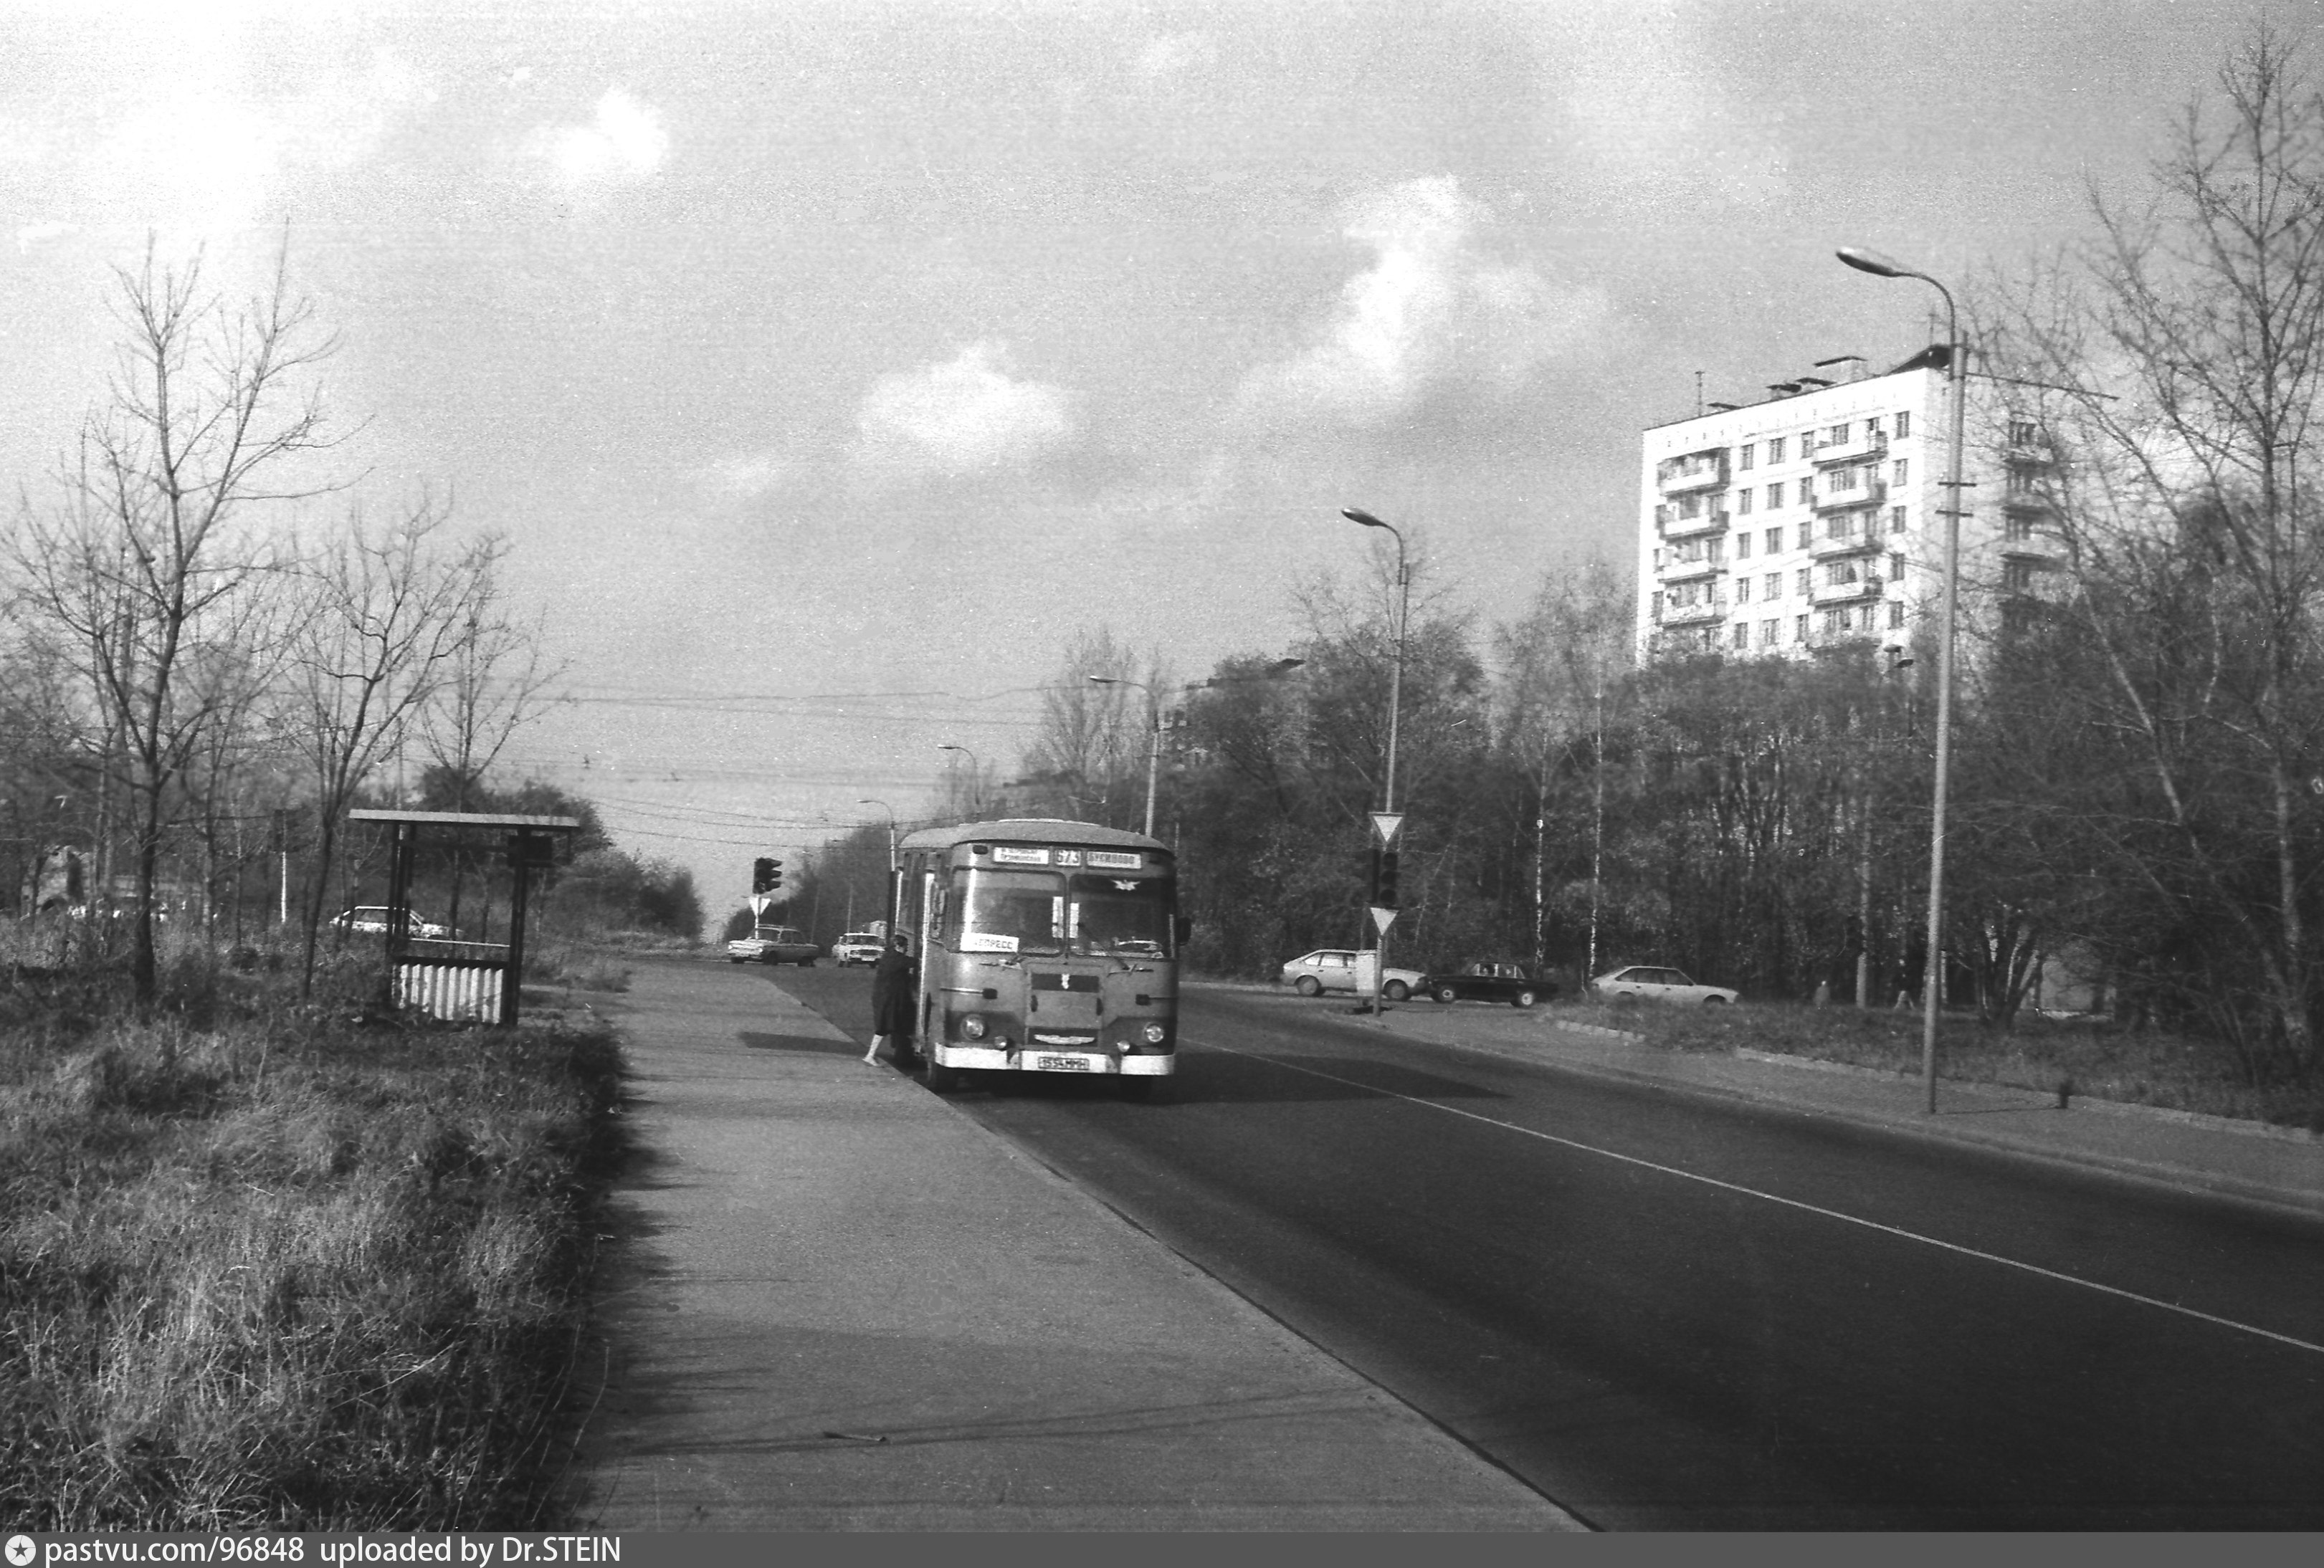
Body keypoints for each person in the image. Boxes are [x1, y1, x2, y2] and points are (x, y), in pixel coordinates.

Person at [864, 933, 918, 1064]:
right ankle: (870, 1055)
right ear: (899, 946)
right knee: (885, 1027)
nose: (906, 949)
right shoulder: (897, 959)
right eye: (906, 946)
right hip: (889, 999)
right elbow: (914, 962)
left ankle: (905, 1054)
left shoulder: (888, 957)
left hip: (886, 997)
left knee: (895, 1025)